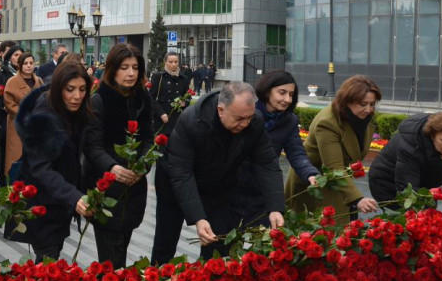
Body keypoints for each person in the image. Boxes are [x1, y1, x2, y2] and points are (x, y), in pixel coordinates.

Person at [156, 82, 285, 263]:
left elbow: (267, 164)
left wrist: (275, 207)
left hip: (217, 185)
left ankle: (211, 276)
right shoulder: (191, 121)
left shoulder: (254, 122)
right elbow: (181, 172)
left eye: (249, 117)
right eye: (239, 118)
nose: (245, 124)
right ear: (221, 110)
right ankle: (158, 276)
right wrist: (198, 218)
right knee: (165, 242)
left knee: (219, 241)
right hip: (174, 184)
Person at [14, 60, 94, 261]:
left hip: (61, 202)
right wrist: (74, 197)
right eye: (70, 89)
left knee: (51, 259)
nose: (77, 96)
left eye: (82, 89)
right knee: (47, 263)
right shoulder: (44, 114)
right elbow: (41, 168)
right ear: (59, 88)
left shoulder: (75, 111)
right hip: (42, 204)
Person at [83, 43, 154, 268]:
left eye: (135, 67)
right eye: (124, 67)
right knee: (110, 261)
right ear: (112, 69)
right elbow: (92, 147)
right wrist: (112, 168)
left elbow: (149, 139)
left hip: (134, 189)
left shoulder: (143, 97)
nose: (131, 73)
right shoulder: (99, 100)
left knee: (121, 249)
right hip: (107, 188)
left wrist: (142, 167)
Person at [285, 75, 382, 225]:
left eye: (372, 104)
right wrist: (357, 199)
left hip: (338, 183)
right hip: (314, 185)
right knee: (318, 233)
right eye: (363, 104)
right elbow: (334, 167)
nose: (368, 109)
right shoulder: (328, 123)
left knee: (339, 231)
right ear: (347, 101)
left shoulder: (362, 119)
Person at [230, 70, 320, 227]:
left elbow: (296, 153)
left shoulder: (289, 121)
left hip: (263, 192)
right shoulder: (246, 112)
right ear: (267, 91)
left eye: (291, 94)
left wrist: (310, 173)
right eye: (282, 93)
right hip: (231, 190)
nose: (287, 99)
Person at [368, 111, 442, 205]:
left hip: (418, 183)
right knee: (412, 214)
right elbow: (407, 189)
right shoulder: (410, 147)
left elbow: (436, 179)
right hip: (385, 184)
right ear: (432, 135)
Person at [3, 51, 42, 178]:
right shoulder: (12, 81)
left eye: (31, 63)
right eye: (25, 63)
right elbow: (9, 103)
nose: (29, 66)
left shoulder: (39, 81)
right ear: (19, 65)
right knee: (16, 159)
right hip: (18, 125)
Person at [148, 51, 191, 134]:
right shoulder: (158, 76)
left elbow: (188, 96)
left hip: (177, 119)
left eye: (176, 62)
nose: (173, 64)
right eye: (170, 62)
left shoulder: (184, 78)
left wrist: (184, 103)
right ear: (165, 62)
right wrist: (161, 113)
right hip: (161, 118)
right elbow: (151, 97)